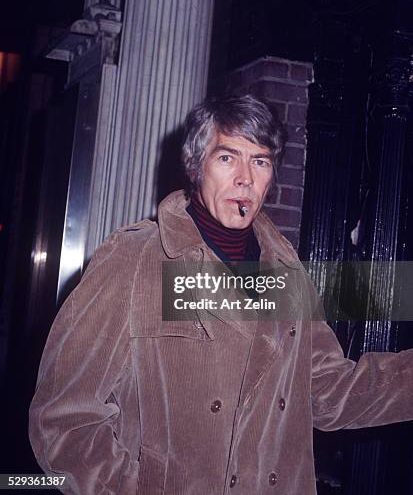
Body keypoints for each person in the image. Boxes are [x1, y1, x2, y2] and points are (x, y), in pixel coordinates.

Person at [29, 93, 413, 495]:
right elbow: (64, 419)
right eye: (227, 158)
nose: (245, 178)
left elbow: (329, 392)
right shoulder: (137, 260)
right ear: (197, 167)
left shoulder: (283, 273)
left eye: (260, 161)